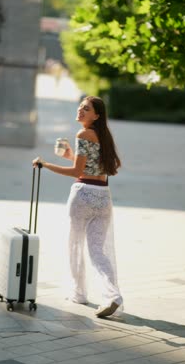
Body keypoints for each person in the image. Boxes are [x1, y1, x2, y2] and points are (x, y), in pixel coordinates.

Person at [33, 96, 123, 318]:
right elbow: (91, 168)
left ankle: (78, 294)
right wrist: (70, 156)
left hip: (83, 195)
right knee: (97, 251)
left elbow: (77, 172)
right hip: (103, 197)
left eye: (87, 108)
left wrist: (45, 164)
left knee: (75, 245)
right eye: (81, 106)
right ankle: (113, 296)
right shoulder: (104, 136)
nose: (81, 110)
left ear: (96, 115)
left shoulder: (82, 134)